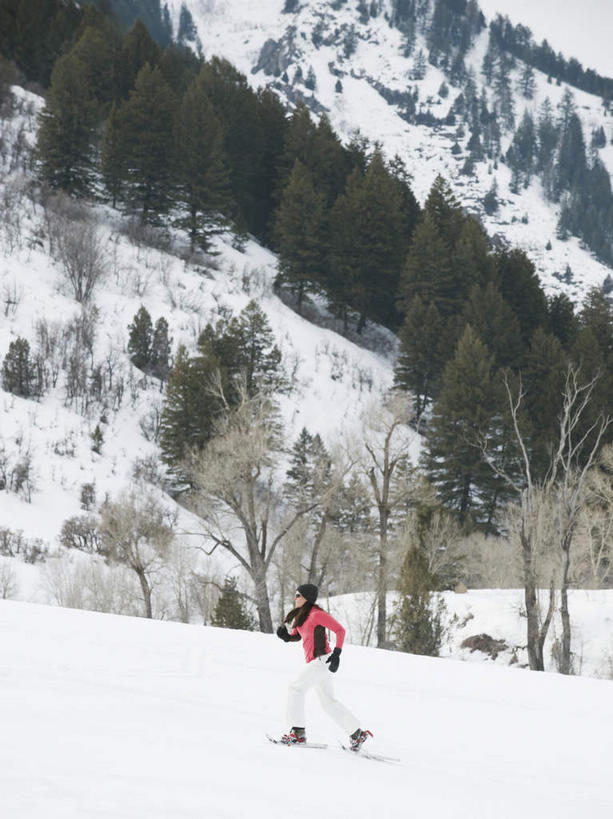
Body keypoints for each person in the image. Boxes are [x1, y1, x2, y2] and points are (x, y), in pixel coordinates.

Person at [276, 583, 372, 749]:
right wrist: (286, 637)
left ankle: (297, 734)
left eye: (298, 595)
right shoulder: (302, 616)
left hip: (321, 660)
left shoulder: (316, 614)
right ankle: (357, 734)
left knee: (295, 689)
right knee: (328, 702)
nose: (295, 598)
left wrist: (337, 653)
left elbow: (340, 630)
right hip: (318, 663)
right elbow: (297, 636)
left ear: (306, 598)